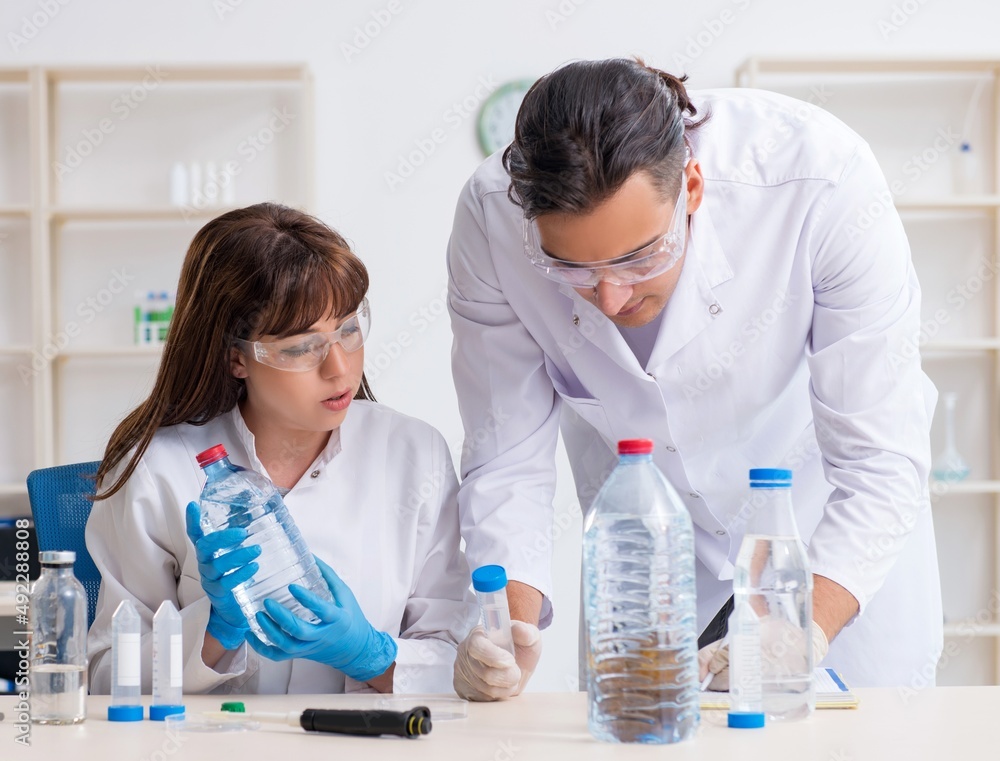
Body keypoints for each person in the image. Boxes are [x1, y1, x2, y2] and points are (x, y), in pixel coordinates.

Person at [447, 57, 941, 699]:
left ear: (694, 188)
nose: (612, 298)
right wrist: (503, 632)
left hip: (823, 538)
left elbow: (881, 456)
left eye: (639, 257)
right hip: (645, 552)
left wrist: (803, 625)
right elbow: (506, 456)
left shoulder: (820, 179)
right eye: (574, 270)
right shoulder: (491, 222)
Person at [86, 202, 476, 695]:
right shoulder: (158, 469)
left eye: (349, 330)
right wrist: (212, 630)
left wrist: (369, 654)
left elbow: (459, 664)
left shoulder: (413, 453)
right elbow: (104, 678)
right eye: (300, 347)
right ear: (236, 359)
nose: (339, 368)